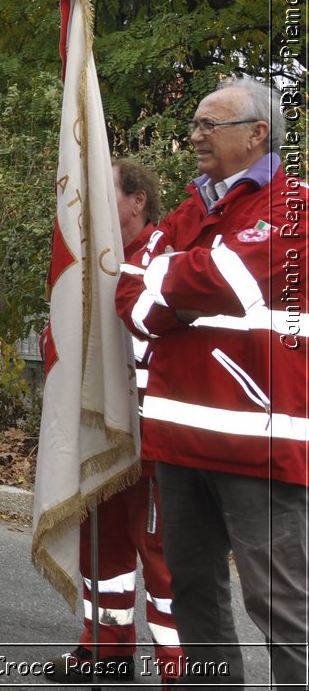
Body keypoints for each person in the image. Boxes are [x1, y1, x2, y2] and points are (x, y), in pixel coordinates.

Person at [116, 75, 306, 688]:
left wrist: (167, 275)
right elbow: (131, 297)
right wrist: (169, 280)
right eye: (195, 123)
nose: (195, 135)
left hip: (260, 444)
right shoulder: (192, 207)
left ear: (257, 133)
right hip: (177, 442)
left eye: (209, 125)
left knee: (280, 608)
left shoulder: (292, 206)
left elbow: (225, 280)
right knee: (193, 596)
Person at [43, 159, 183, 684]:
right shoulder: (90, 259)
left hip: (151, 431)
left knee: (160, 556)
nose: (95, 210)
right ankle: (107, 648)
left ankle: (182, 667)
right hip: (99, 429)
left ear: (137, 201)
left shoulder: (166, 252)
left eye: (106, 196)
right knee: (102, 546)